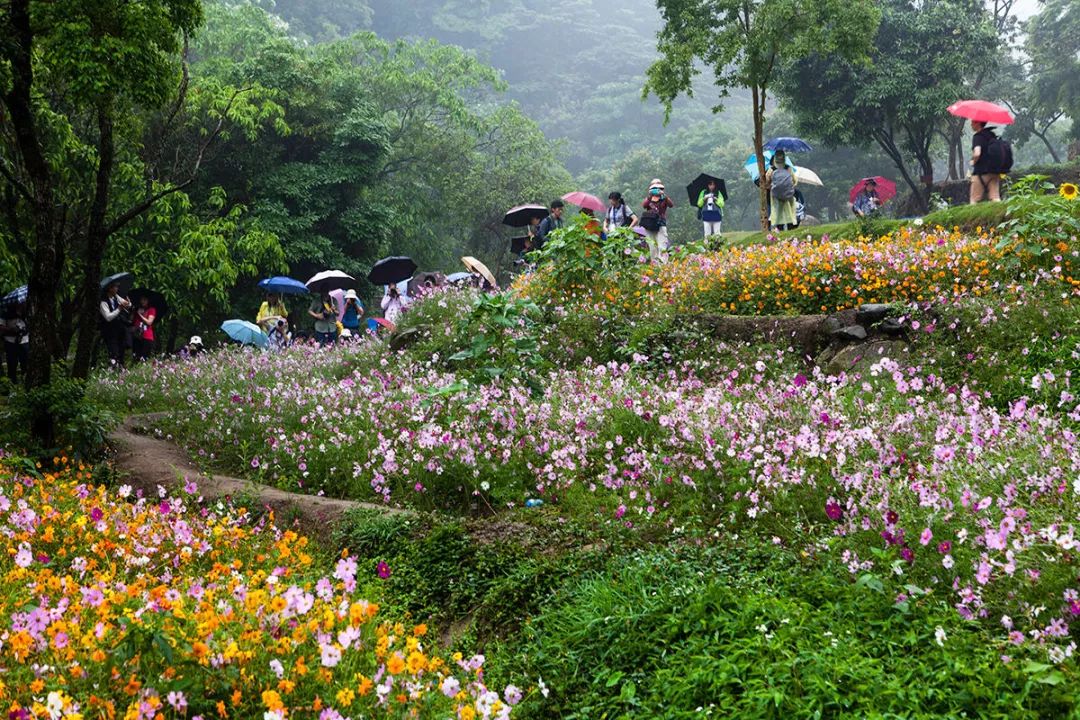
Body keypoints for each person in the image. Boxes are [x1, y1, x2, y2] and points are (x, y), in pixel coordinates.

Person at [640, 179, 674, 261]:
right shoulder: (649, 198)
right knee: (652, 247)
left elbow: (671, 205)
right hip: (649, 225)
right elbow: (644, 205)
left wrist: (664, 196)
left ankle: (663, 266)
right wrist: (650, 196)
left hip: (660, 224)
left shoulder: (664, 198)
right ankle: (654, 266)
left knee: (662, 245)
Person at [99, 281, 131, 369]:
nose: (117, 289)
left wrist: (128, 303)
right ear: (110, 289)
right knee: (113, 352)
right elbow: (108, 317)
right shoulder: (103, 302)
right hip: (110, 331)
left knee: (122, 350)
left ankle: (121, 368)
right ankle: (112, 368)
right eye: (115, 287)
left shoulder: (116, 297)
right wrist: (119, 309)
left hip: (119, 330)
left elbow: (127, 304)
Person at [969, 120, 1001, 204]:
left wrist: (973, 161)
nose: (971, 124)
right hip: (994, 171)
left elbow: (977, 153)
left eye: (973, 122)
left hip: (981, 172)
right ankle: (1002, 216)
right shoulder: (992, 135)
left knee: (974, 200)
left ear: (978, 123)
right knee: (995, 198)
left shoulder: (977, 137)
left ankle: (971, 216)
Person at [765, 152, 798, 231]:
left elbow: (767, 181)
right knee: (789, 211)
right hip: (788, 195)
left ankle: (779, 228)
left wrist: (770, 187)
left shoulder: (771, 169)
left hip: (775, 195)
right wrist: (791, 187)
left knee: (777, 212)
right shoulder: (788, 168)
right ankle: (791, 226)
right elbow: (795, 180)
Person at [1, 301, 28, 384]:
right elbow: (1, 326)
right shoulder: (5, 312)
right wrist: (11, 330)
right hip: (11, 341)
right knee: (12, 364)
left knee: (26, 363)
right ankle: (12, 383)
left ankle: (26, 382)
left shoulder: (27, 311)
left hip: (25, 340)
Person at [130, 294, 157, 362]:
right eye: (141, 299)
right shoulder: (137, 309)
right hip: (137, 335)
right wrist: (134, 312)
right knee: (136, 357)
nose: (142, 301)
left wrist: (140, 315)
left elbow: (149, 322)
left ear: (148, 301)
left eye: (144, 300)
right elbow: (131, 320)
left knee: (144, 358)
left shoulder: (151, 309)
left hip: (146, 336)